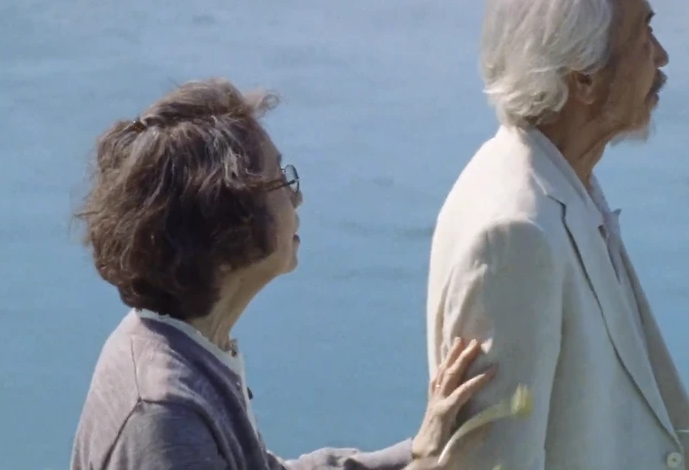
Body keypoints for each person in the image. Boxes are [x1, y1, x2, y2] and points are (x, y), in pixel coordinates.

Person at [70, 78, 496, 470]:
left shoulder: (180, 350)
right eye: (280, 180)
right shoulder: (164, 416)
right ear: (223, 227)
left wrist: (416, 452)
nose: (298, 197)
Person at [425, 0, 689, 470]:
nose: (662, 56)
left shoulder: (561, 183)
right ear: (584, 79)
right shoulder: (515, 233)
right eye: (643, 36)